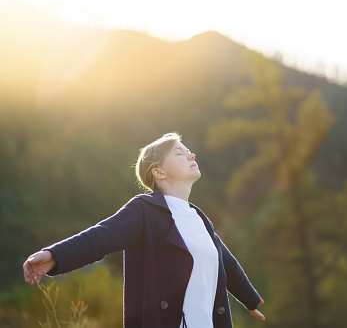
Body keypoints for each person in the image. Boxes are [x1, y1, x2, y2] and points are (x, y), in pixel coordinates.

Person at [23, 132, 265, 328]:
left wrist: (250, 298)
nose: (191, 155)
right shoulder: (144, 211)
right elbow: (101, 237)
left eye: (189, 151)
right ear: (158, 172)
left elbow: (226, 264)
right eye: (180, 152)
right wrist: (55, 256)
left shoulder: (199, 218)